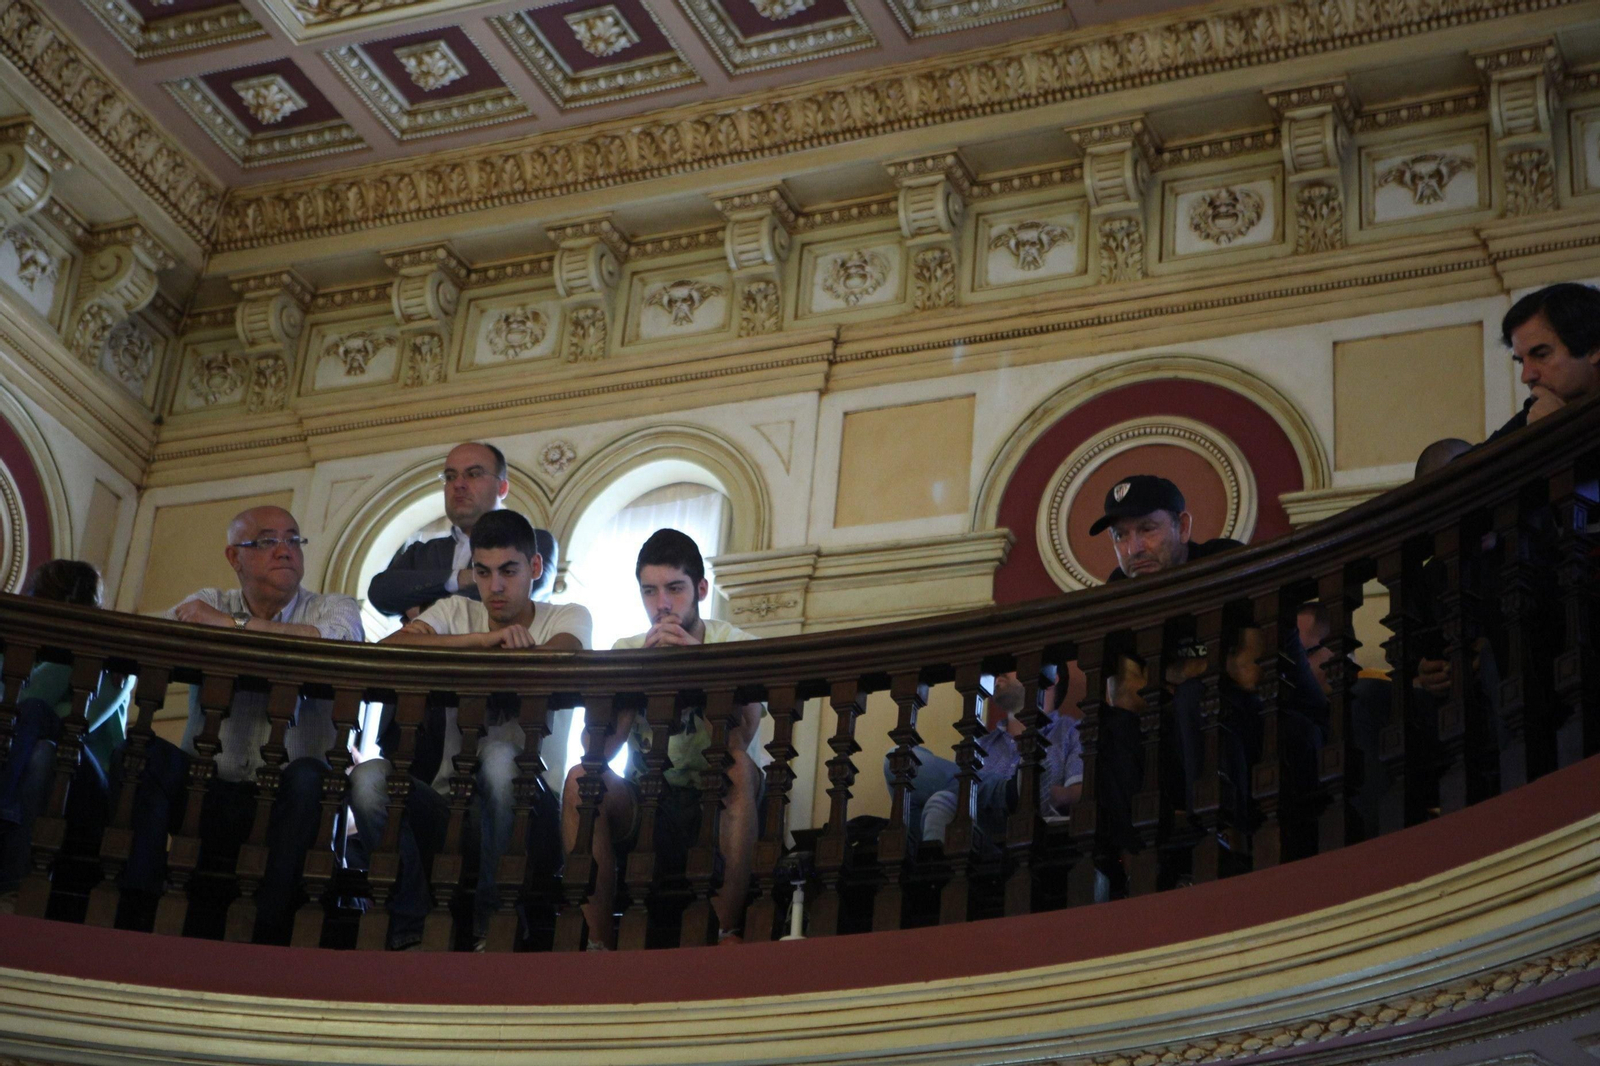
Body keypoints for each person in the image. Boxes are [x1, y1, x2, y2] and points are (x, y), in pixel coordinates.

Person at [363, 509, 591, 950]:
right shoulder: (456, 611)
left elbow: (560, 654)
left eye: (509, 571)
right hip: (451, 807)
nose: (496, 587)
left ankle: (496, 925)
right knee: (368, 778)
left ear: (536, 568)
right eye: (483, 574)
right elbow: (389, 649)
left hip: (531, 812)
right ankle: (412, 928)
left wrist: (487, 651)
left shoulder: (567, 615)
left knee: (501, 756)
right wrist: (482, 640)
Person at [137, 505, 364, 942]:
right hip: (210, 789)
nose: (285, 550)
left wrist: (232, 627)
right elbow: (153, 633)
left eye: (293, 539)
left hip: (288, 800)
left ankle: (268, 931)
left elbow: (335, 641)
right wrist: (224, 620)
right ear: (233, 557)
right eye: (266, 540)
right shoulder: (210, 601)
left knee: (309, 777)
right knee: (142, 753)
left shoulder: (330, 606)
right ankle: (137, 908)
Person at [1088, 476, 1327, 885]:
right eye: (1120, 536)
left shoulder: (1226, 562)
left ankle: (1224, 839)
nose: (1133, 550)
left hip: (1279, 734)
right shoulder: (1120, 590)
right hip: (1192, 744)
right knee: (1113, 727)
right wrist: (1212, 665)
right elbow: (1125, 695)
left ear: (1182, 526)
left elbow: (1250, 673)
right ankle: (1135, 860)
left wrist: (1167, 673)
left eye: (1147, 529)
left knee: (1197, 696)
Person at [564, 528, 762, 949]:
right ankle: (597, 945)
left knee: (741, 769)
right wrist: (641, 676)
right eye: (650, 591)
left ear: (701, 589)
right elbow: (596, 751)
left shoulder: (736, 644)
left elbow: (739, 741)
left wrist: (694, 664)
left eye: (675, 588)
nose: (662, 604)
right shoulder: (627, 647)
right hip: (644, 804)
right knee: (582, 778)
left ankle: (725, 931)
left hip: (714, 806)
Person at [0, 561, 129, 911]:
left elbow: (74, 721)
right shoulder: (12, 645)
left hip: (86, 778)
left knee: (39, 723)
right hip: (34, 759)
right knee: (40, 753)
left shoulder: (111, 654)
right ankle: (13, 886)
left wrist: (66, 653)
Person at [368, 441, 558, 619]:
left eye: (473, 474)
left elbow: (520, 595)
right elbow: (380, 593)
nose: (458, 484)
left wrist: (424, 611)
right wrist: (460, 578)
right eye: (450, 477)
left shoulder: (534, 540)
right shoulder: (421, 553)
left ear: (502, 488)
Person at [919, 668, 1083, 848]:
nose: (999, 672)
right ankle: (1011, 790)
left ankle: (1014, 792)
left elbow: (1080, 793)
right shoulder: (982, 745)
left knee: (908, 767)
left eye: (1013, 663)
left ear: (1050, 678)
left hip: (1033, 837)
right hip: (980, 838)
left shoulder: (1072, 732)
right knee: (937, 798)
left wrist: (1039, 793)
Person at [1487, 282, 1600, 443]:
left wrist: (1562, 432)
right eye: (1521, 361)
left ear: (1594, 348)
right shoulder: (1537, 408)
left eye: (1541, 355)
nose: (1526, 376)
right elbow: (1464, 464)